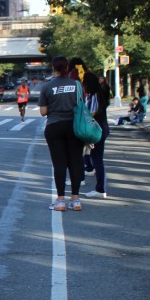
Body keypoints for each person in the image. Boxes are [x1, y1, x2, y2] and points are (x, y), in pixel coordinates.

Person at [38, 56, 84, 211]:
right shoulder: (77, 85)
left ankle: (60, 201)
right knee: (75, 162)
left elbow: (43, 111)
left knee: (59, 164)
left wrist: (54, 106)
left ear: (53, 67)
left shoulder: (47, 87)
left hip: (54, 127)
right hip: (75, 127)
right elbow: (81, 105)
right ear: (67, 67)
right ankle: (76, 200)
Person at [71, 57, 110, 200]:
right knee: (95, 158)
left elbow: (90, 114)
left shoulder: (94, 96)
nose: (83, 86)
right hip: (99, 129)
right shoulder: (98, 95)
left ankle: (100, 189)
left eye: (84, 84)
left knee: (97, 159)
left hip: (96, 131)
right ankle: (99, 187)